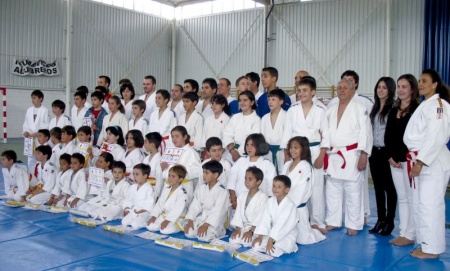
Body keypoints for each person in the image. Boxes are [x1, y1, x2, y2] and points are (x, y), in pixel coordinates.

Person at [403, 69, 450, 259]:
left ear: (435, 84)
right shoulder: (426, 105)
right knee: (422, 205)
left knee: (430, 205)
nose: (420, 84)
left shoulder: (439, 105)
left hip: (432, 162)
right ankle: (425, 243)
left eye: (424, 81)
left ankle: (432, 249)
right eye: (419, 81)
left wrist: (421, 161)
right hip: (421, 160)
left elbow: (436, 136)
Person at [281, 76, 329, 231]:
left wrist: (322, 155)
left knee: (317, 187)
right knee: (295, 185)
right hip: (295, 150)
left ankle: (317, 221)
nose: (301, 93)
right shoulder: (292, 110)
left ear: (313, 92)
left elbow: (326, 134)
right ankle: (295, 218)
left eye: (305, 90)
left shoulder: (321, 110)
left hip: (314, 150)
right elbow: (287, 132)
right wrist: (287, 154)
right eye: (299, 90)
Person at [325, 79, 370, 236]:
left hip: (352, 154)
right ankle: (333, 221)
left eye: (345, 88)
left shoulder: (359, 108)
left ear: (352, 90)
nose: (342, 90)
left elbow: (365, 133)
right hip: (333, 154)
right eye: (339, 88)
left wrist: (364, 154)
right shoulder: (330, 109)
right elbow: (323, 131)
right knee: (332, 189)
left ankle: (354, 223)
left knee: (352, 190)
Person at [385, 74, 420, 246]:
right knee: (403, 197)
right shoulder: (393, 110)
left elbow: (415, 138)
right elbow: (389, 136)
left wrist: (401, 157)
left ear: (412, 89)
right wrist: (391, 156)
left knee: (412, 197)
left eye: (404, 86)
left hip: (409, 160)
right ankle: (403, 231)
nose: (400, 90)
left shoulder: (417, 111)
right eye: (398, 86)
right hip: (395, 161)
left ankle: (411, 233)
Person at [281, 136, 326, 244]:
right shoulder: (287, 164)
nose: (292, 150)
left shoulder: (306, 167)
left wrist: (286, 200)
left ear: (303, 149)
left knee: (303, 240)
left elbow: (301, 191)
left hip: (297, 208)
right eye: (291, 147)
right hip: (284, 207)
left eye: (296, 147)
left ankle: (315, 232)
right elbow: (280, 183)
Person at [368, 77, 397, 236]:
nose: (380, 90)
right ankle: (380, 219)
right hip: (375, 152)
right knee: (378, 187)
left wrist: (392, 153)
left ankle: (390, 221)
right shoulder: (375, 108)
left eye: (384, 88)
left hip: (387, 153)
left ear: (390, 90)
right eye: (378, 87)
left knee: (390, 188)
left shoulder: (394, 108)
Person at [252, 175, 298, 257]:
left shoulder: (289, 205)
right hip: (272, 233)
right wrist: (260, 236)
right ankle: (271, 244)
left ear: (287, 190)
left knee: (272, 252)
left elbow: (282, 224)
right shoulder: (270, 201)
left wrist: (271, 240)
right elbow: (264, 219)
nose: (275, 189)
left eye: (279, 187)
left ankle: (286, 246)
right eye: (274, 186)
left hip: (285, 235)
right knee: (256, 246)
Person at [184, 160, 229, 242]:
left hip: (214, 222)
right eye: (203, 172)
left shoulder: (222, 191)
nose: (204, 175)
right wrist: (190, 220)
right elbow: (195, 206)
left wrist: (206, 225)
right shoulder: (202, 188)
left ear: (215, 175)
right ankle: (199, 227)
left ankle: (220, 232)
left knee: (203, 237)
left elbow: (218, 211)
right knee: (189, 233)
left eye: (206, 173)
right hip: (201, 218)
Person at [228, 134, 275, 209]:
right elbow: (231, 182)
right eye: (247, 145)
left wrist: (268, 204)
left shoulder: (267, 164)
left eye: (253, 145)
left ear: (260, 146)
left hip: (260, 205)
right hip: (239, 203)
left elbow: (271, 188)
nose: (249, 148)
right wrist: (233, 200)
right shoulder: (240, 161)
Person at [158, 126, 202, 201]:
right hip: (168, 186)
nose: (174, 139)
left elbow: (198, 170)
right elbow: (164, 173)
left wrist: (184, 169)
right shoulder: (169, 151)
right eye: (172, 137)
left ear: (185, 137)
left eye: (177, 136)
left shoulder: (191, 152)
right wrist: (163, 168)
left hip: (183, 187)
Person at [229, 166, 267, 247]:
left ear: (258, 182)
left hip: (257, 230)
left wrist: (251, 231)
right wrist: (237, 229)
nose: (246, 181)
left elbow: (261, 217)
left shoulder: (263, 197)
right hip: (244, 227)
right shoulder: (242, 195)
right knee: (233, 240)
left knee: (252, 244)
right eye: (245, 178)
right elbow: (238, 214)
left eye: (250, 179)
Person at [147, 165, 188, 234]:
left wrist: (168, 220)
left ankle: (178, 226)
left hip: (176, 218)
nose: (170, 178)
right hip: (164, 215)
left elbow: (177, 209)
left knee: (164, 230)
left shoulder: (182, 193)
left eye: (173, 176)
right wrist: (154, 215)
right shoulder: (166, 189)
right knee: (150, 226)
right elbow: (159, 204)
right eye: (169, 175)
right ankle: (163, 223)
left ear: (180, 179)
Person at [223, 90, 261, 162]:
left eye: (245, 100)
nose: (242, 103)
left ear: (252, 102)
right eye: (240, 100)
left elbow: (252, 139)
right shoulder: (235, 117)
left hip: (246, 155)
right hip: (230, 154)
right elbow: (227, 134)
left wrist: (238, 153)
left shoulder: (257, 120)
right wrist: (232, 150)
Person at [23, 89, 50, 174]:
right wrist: (26, 132)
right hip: (30, 139)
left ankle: (40, 176)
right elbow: (26, 123)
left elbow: (46, 125)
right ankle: (32, 178)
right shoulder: (29, 110)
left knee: (39, 157)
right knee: (30, 159)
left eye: (34, 98)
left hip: (39, 138)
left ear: (40, 98)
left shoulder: (44, 110)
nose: (33, 100)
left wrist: (37, 133)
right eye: (32, 98)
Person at [260, 89, 286, 174]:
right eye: (269, 99)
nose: (270, 102)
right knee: (268, 175)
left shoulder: (287, 116)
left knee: (282, 175)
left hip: (282, 152)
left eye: (273, 99)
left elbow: (289, 137)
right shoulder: (264, 118)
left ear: (281, 101)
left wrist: (287, 154)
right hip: (267, 153)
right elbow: (262, 137)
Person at [122, 163, 155, 229]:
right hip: (134, 211)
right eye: (134, 174)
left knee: (135, 224)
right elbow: (128, 199)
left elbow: (150, 204)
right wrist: (126, 208)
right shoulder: (133, 187)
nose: (134, 176)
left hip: (144, 213)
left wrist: (142, 210)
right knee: (124, 222)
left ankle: (145, 221)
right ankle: (136, 219)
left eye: (137, 174)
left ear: (145, 176)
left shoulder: (149, 188)